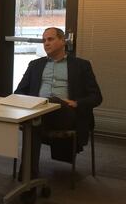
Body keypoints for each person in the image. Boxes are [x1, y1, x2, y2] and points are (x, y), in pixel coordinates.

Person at [15, 27, 102, 178]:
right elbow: (19, 92)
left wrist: (75, 103)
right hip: (39, 112)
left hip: (66, 113)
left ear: (63, 41)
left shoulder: (81, 65)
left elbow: (96, 97)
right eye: (44, 40)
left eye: (50, 39)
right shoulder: (35, 65)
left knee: (51, 103)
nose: (46, 43)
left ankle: (26, 179)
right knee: (33, 125)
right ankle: (29, 179)